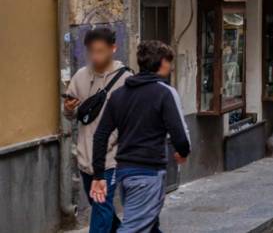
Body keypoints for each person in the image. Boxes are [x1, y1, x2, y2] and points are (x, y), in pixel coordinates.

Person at [90, 41, 190, 233]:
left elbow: (100, 135)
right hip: (148, 174)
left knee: (149, 226)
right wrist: (182, 151)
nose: (171, 67)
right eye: (169, 62)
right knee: (134, 228)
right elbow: (179, 134)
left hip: (125, 173)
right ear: (161, 63)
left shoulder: (118, 95)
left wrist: (98, 175)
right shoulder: (163, 93)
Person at [64, 27, 130, 233]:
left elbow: (130, 119)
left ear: (113, 48)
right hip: (86, 156)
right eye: (91, 51)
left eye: (100, 51)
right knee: (100, 206)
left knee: (101, 208)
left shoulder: (126, 79)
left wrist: (115, 141)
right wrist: (68, 109)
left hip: (111, 157)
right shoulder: (80, 76)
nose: (95, 56)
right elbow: (71, 115)